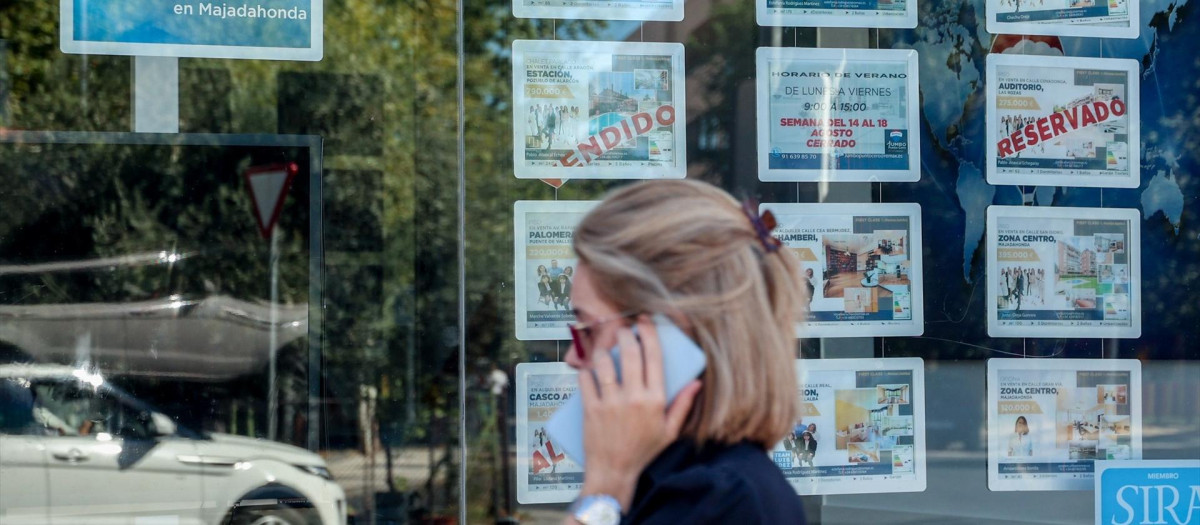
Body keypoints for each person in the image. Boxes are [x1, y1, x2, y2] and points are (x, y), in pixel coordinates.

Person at [561, 180, 806, 524]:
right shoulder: (677, 481)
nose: (572, 357)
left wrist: (605, 489)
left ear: (667, 336)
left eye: (587, 330)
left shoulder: (719, 500)